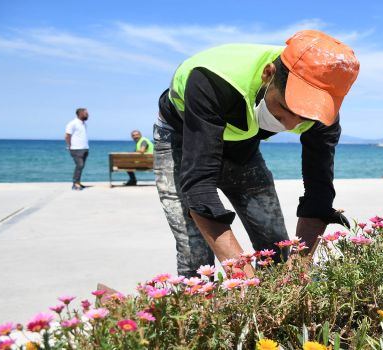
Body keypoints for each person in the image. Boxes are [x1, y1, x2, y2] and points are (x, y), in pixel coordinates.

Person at [154, 30, 359, 277]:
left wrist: (296, 274)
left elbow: (319, 194)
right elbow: (199, 188)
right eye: (286, 108)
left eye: (303, 116)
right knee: (196, 256)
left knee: (276, 250)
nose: (292, 124)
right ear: (268, 74)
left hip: (242, 145)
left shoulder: (322, 115)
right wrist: (245, 279)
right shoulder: (212, 79)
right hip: (181, 135)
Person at [65, 108, 89, 191]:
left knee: (81, 167)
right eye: (86, 113)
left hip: (85, 148)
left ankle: (78, 182)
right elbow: (67, 136)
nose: (88, 115)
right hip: (76, 149)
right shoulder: (72, 123)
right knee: (80, 165)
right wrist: (69, 146)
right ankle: (75, 184)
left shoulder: (84, 124)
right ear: (80, 114)